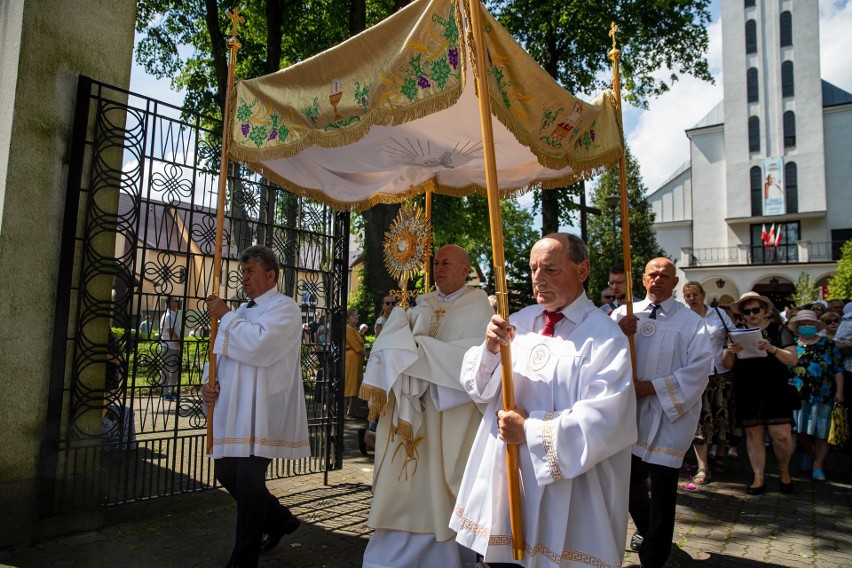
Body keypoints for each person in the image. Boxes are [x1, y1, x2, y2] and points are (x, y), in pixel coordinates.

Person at [450, 234, 637, 568]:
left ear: (582, 270)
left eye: (550, 269)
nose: (538, 278)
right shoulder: (518, 323)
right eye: (534, 268)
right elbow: (478, 389)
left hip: (568, 490)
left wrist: (530, 430)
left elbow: (606, 419)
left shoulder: (606, 337)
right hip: (507, 481)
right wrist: (490, 351)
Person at [360, 244, 493, 568]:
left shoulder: (479, 309)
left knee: (441, 490)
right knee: (404, 484)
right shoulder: (420, 306)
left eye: (446, 263)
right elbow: (394, 350)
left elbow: (478, 360)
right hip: (411, 408)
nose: (438, 268)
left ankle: (445, 556)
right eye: (436, 263)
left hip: (449, 414)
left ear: (465, 269)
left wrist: (423, 355)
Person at [201, 245, 310, 568]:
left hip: (262, 409)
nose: (243, 278)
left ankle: (242, 560)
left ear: (270, 275)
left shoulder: (285, 308)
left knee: (249, 482)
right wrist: (209, 382)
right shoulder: (242, 311)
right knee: (226, 472)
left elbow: (260, 345)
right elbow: (219, 351)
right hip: (234, 407)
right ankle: (279, 519)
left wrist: (225, 314)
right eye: (242, 271)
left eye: (250, 271)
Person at [611, 258, 710, 568]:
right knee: (626, 480)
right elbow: (598, 354)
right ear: (642, 279)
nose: (658, 279)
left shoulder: (691, 323)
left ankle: (654, 557)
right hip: (631, 411)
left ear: (675, 282)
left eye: (665, 275)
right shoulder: (623, 314)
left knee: (665, 487)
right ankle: (648, 529)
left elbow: (700, 369)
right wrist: (615, 332)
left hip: (670, 415)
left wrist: (653, 387)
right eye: (653, 274)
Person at [722, 291, 798, 495]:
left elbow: (792, 359)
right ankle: (758, 477)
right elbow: (727, 364)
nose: (752, 314)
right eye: (747, 311)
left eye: (756, 310)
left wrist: (772, 349)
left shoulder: (778, 330)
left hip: (776, 388)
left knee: (781, 435)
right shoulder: (736, 332)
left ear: (765, 310)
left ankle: (784, 470)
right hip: (748, 389)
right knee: (753, 432)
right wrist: (729, 351)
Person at [682, 281, 737, 483]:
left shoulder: (719, 315)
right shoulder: (685, 318)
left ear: (703, 295)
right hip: (697, 376)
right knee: (700, 419)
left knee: (721, 417)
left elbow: (733, 335)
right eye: (687, 296)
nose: (692, 298)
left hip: (721, 372)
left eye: (695, 294)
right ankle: (703, 466)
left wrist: (731, 348)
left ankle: (720, 456)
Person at [788, 310, 845, 481]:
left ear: (816, 326)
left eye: (810, 324)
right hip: (799, 397)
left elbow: (838, 369)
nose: (807, 327)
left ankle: (818, 465)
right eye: (803, 324)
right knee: (800, 431)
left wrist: (840, 392)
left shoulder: (828, 344)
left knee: (821, 431)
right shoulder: (792, 345)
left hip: (824, 394)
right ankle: (809, 452)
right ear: (797, 327)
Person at [344, 308, 367, 420]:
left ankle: (351, 411)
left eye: (357, 315)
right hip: (351, 358)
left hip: (356, 359)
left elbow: (360, 342)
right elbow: (356, 346)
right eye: (353, 315)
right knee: (349, 385)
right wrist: (367, 354)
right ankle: (344, 413)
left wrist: (361, 335)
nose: (356, 317)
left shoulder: (355, 329)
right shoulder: (348, 328)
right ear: (348, 318)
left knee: (355, 385)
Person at [159, 296, 182, 401]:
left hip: (174, 346)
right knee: (166, 369)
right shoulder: (168, 315)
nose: (177, 302)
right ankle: (164, 392)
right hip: (168, 345)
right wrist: (178, 343)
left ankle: (172, 390)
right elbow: (171, 331)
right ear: (169, 303)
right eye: (175, 301)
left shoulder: (174, 314)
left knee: (174, 370)